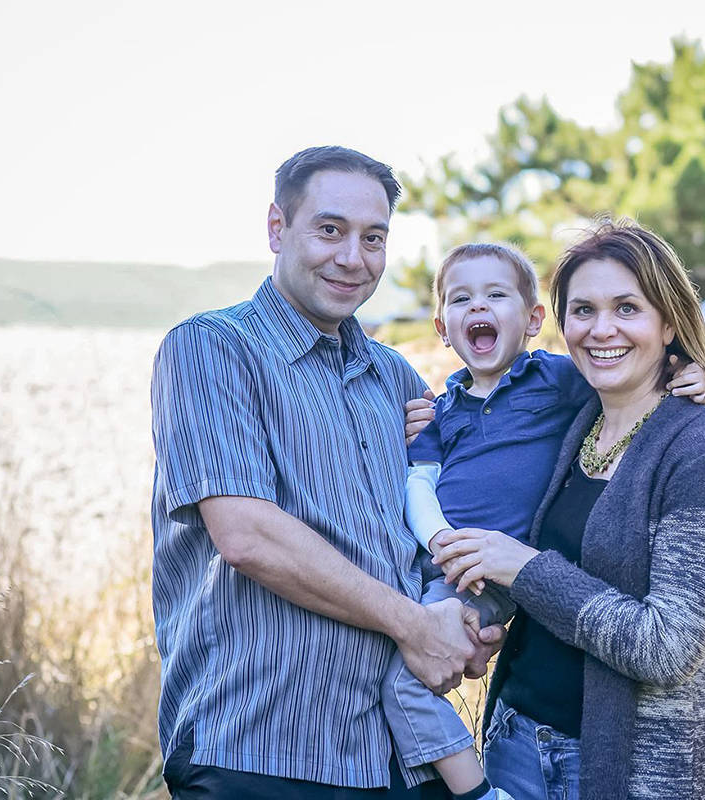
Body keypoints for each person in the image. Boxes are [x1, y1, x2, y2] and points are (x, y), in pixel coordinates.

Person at [149, 145, 502, 799]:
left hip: (397, 756)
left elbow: (443, 514)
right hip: (261, 751)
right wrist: (413, 625)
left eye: (373, 238)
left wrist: (462, 619)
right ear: (278, 229)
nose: (352, 258)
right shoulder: (213, 349)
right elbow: (247, 534)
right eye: (330, 230)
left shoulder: (394, 378)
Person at [432, 219, 705, 800]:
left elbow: (669, 648)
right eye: (582, 310)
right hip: (514, 741)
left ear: (669, 322)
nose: (601, 330)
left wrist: (523, 568)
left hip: (621, 771)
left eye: (627, 308)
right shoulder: (576, 421)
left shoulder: (700, 452)